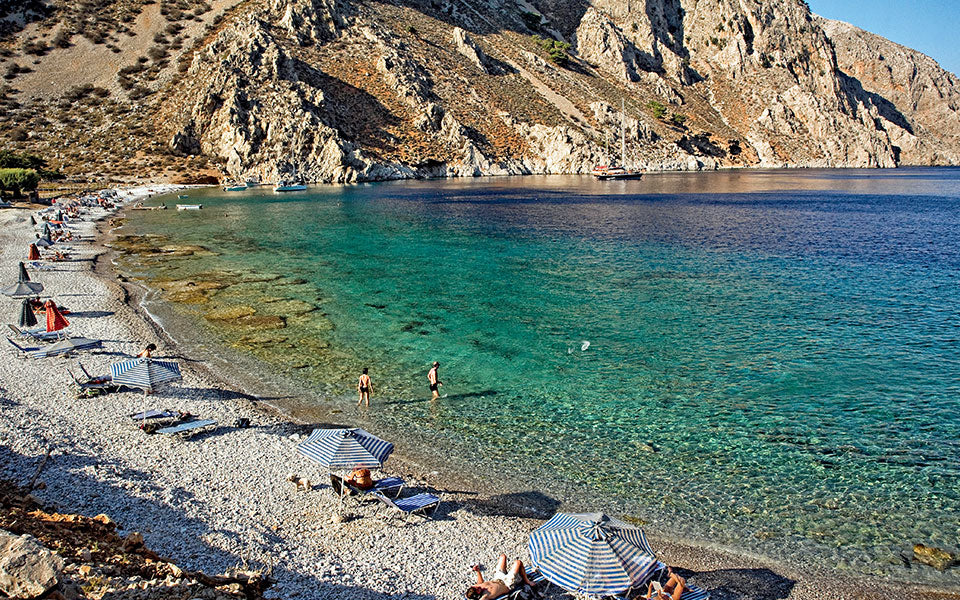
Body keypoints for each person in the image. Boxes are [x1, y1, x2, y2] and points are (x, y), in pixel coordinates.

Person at [465, 555, 534, 600]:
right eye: (478, 589)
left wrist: (478, 571)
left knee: (503, 557)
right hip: (507, 583)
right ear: (478, 594)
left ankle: (514, 573)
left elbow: (479, 582)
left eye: (476, 587)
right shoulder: (485, 596)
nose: (479, 587)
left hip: (498, 578)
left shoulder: (475, 587)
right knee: (518, 562)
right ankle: (527, 581)